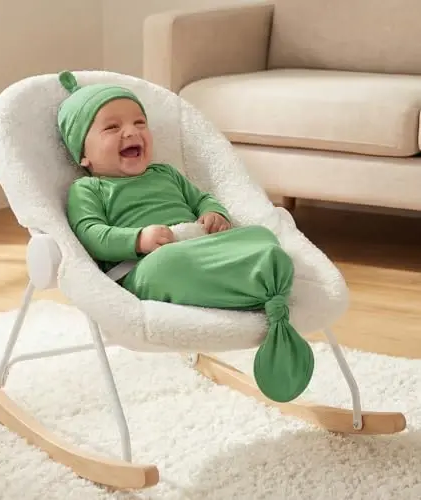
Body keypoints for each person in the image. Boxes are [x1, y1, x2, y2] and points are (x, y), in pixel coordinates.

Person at [57, 70, 313, 403]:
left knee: (260, 234)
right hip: (145, 266)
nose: (131, 132)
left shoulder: (166, 174)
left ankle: (257, 277)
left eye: (139, 123)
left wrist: (213, 214)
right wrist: (138, 239)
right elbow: (90, 234)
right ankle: (260, 282)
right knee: (169, 263)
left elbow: (201, 199)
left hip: (199, 246)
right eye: (112, 127)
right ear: (84, 154)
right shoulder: (89, 189)